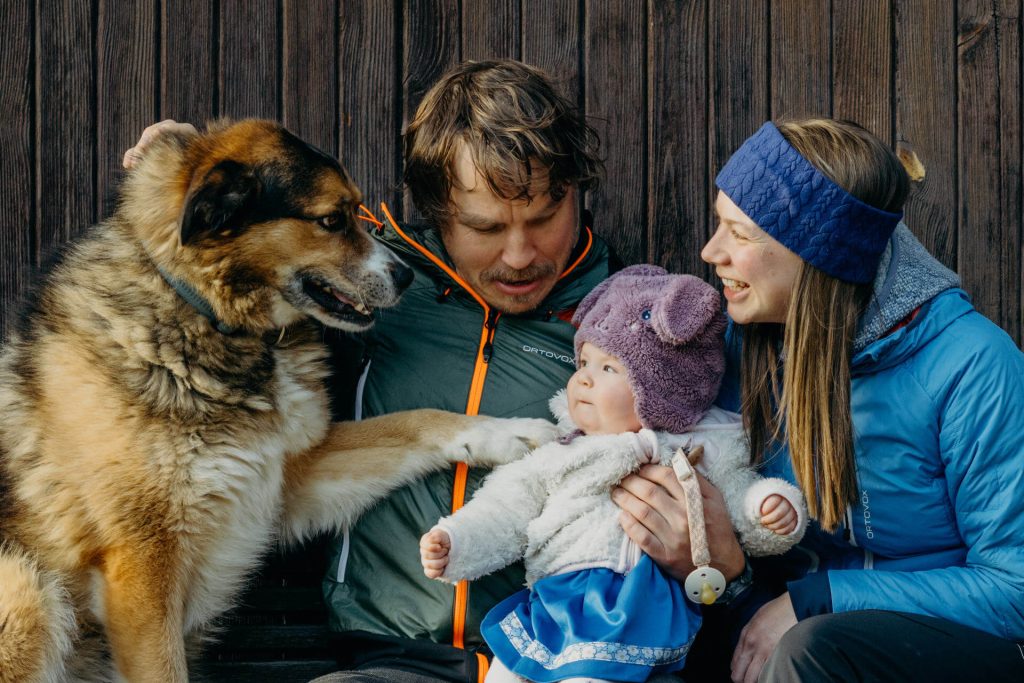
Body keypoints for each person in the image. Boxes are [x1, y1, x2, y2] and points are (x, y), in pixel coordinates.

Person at [124, 60, 746, 683]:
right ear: (436, 212)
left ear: (576, 192)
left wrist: (717, 568)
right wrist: (187, 172)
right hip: (393, 664)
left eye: (543, 217)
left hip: (573, 661)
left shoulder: (638, 324)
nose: (520, 254)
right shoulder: (367, 292)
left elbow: (737, 516)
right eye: (485, 227)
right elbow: (223, 292)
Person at [628, 118, 1023, 683]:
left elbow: (1015, 588)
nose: (710, 251)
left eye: (740, 235)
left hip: (951, 652)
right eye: (720, 225)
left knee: (812, 648)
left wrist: (824, 597)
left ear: (819, 253)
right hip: (788, 628)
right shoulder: (744, 345)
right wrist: (724, 568)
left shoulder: (971, 364)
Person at [419, 265, 807, 683]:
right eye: (584, 361)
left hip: (636, 606)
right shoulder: (564, 450)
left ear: (661, 389)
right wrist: (457, 541)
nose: (583, 378)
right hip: (556, 599)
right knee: (505, 672)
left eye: (608, 369)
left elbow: (737, 492)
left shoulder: (702, 448)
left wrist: (768, 508)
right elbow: (507, 506)